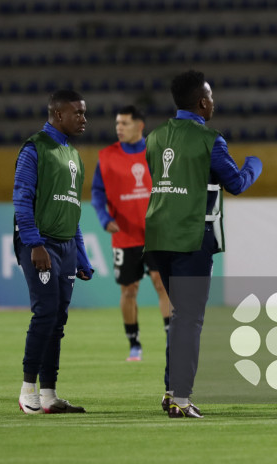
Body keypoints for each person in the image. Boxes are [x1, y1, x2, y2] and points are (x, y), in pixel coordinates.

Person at [144, 70, 262, 419]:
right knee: (189, 319)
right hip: (191, 238)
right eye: (210, 97)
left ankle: (171, 390)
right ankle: (181, 397)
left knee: (179, 316)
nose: (213, 102)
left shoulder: (154, 138)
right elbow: (237, 183)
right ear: (201, 102)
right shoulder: (210, 140)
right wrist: (254, 164)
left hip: (158, 237)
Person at [14, 89, 95, 414]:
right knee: (45, 313)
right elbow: (21, 198)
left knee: (57, 320)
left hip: (65, 246)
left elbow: (72, 212)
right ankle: (26, 391)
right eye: (78, 113)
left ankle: (49, 394)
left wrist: (83, 256)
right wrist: (34, 243)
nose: (84, 119)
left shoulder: (73, 156)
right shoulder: (35, 148)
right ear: (58, 115)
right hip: (40, 244)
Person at [92, 105, 171, 362]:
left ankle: (173, 338)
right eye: (117, 123)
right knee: (129, 290)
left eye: (124, 123)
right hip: (125, 235)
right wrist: (104, 218)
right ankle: (134, 343)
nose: (119, 127)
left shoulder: (158, 151)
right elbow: (97, 192)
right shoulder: (106, 156)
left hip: (157, 233)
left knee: (163, 284)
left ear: (140, 126)